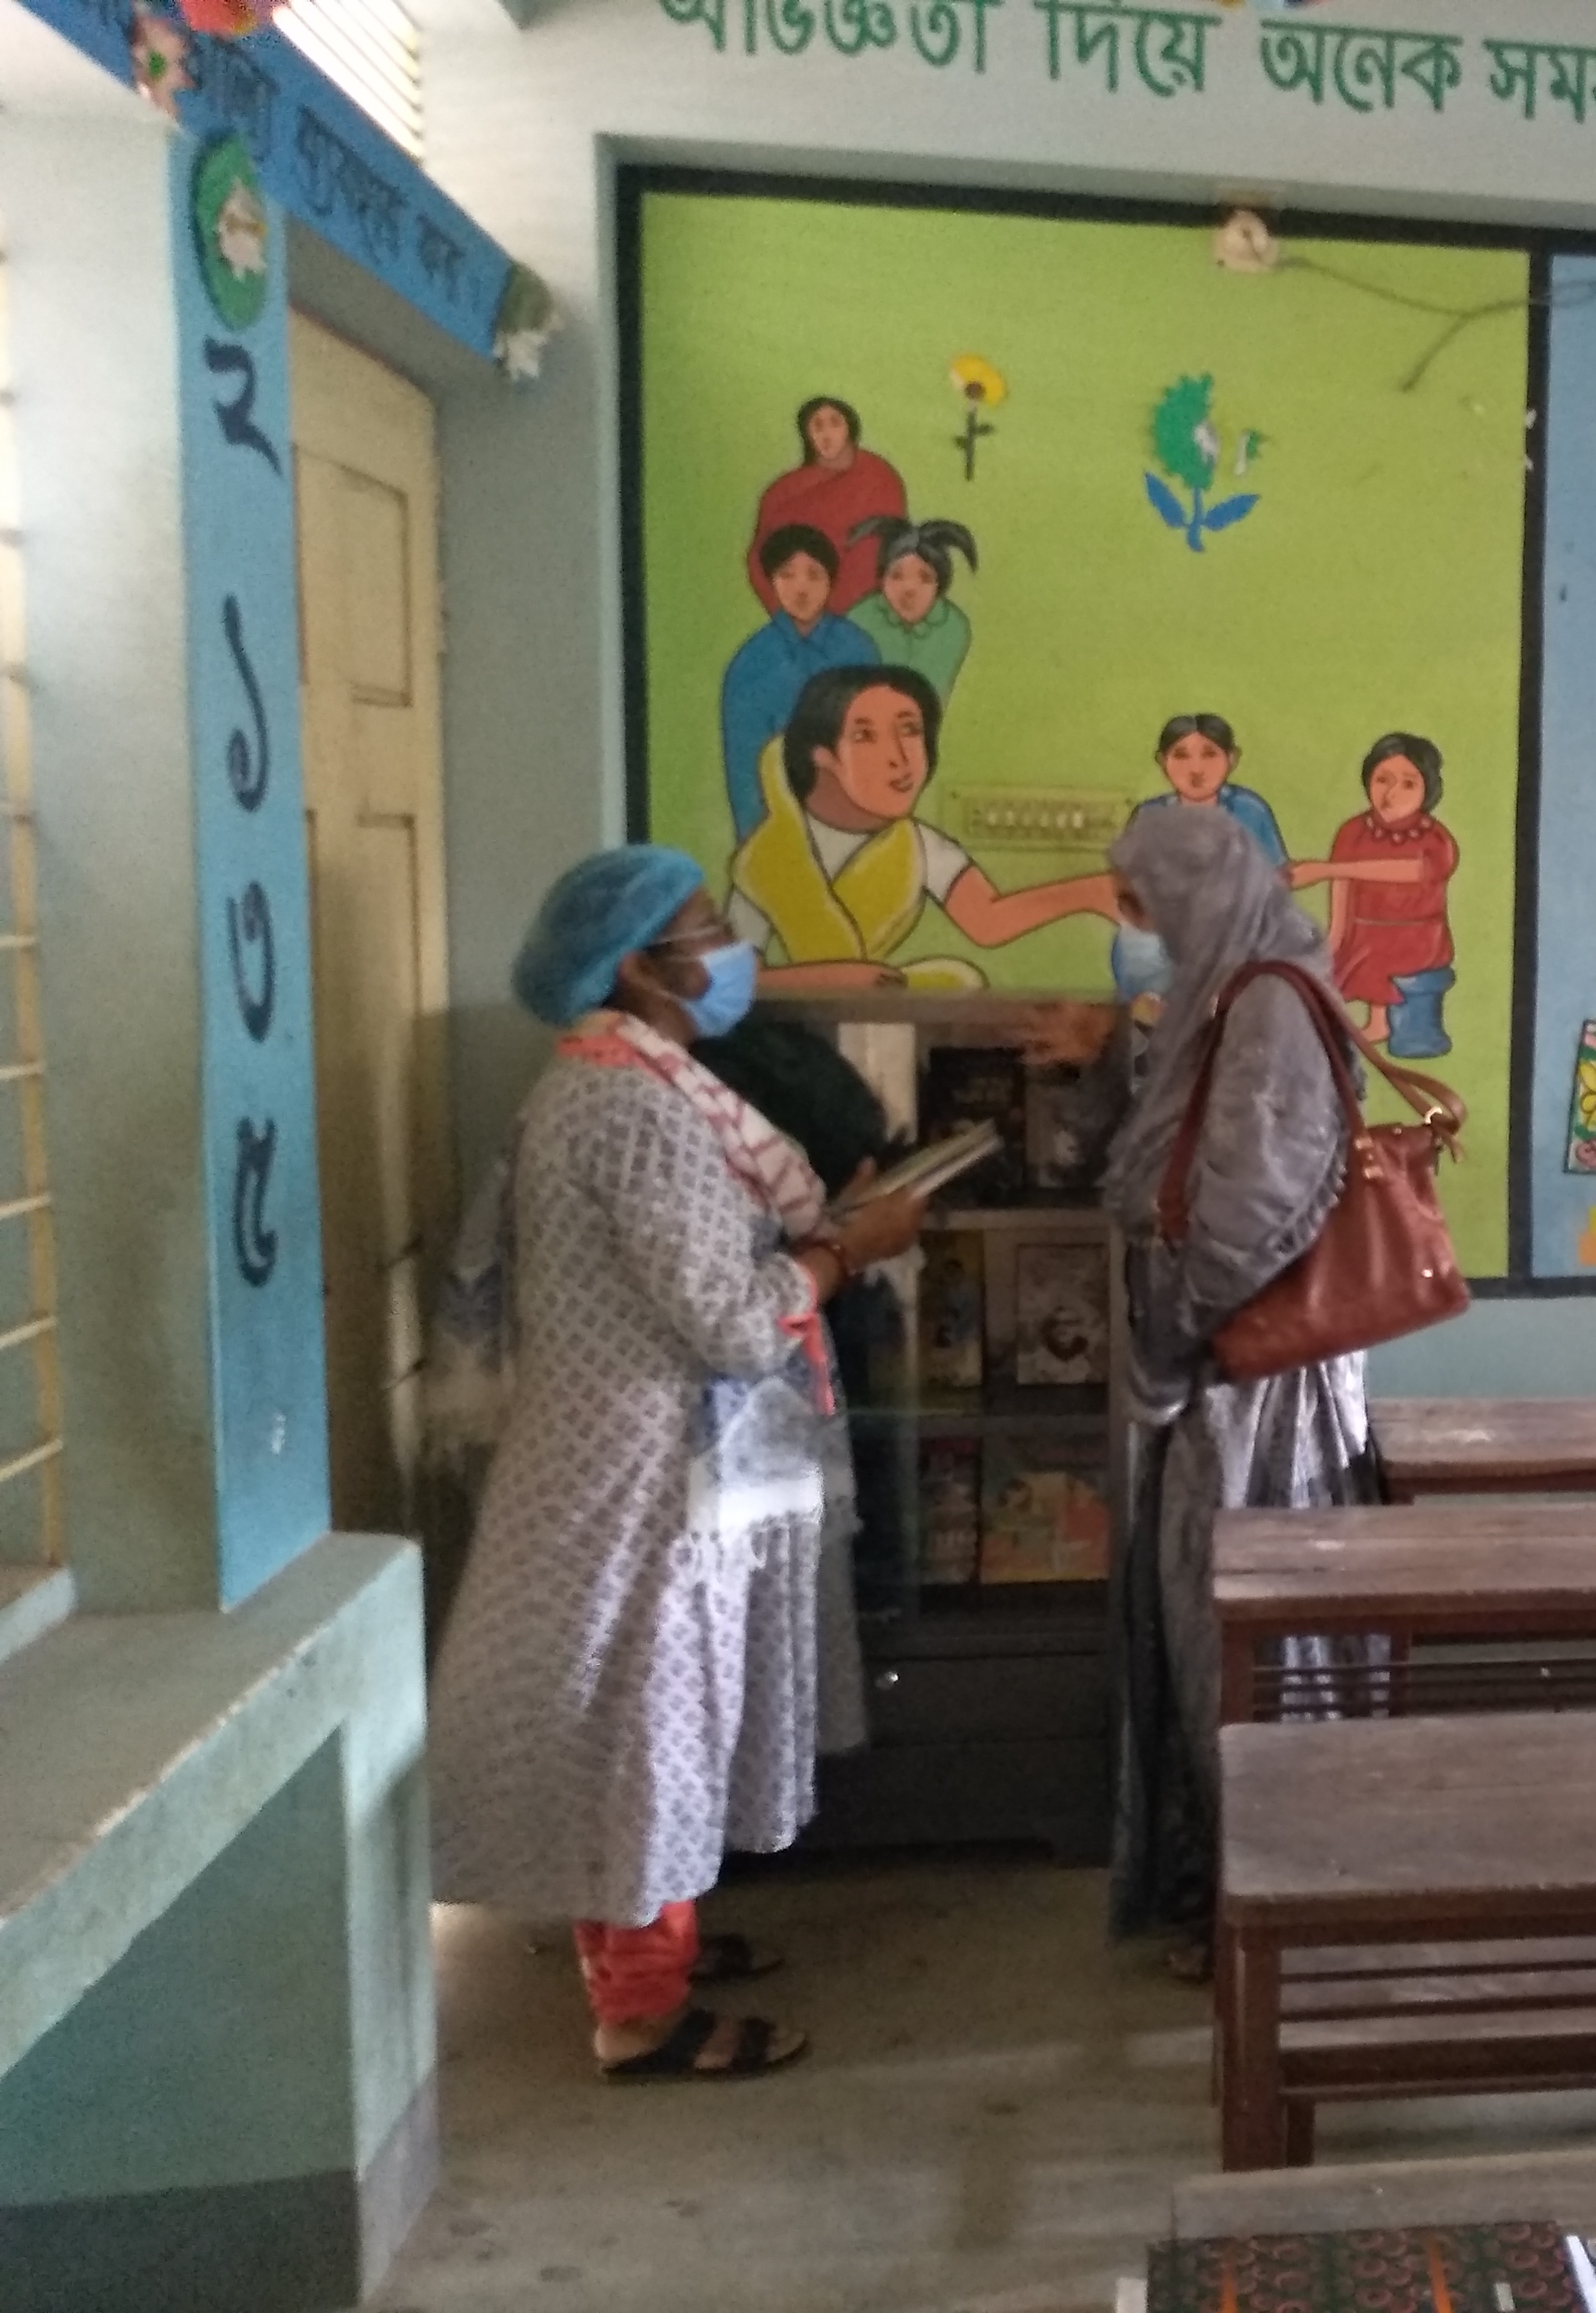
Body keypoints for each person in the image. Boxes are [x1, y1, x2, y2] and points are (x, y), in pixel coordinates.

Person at [426, 846, 929, 2082]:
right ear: (640, 968)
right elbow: (737, 1321)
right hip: (642, 1479)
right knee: (648, 1727)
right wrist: (851, 1252)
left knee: (655, 1716)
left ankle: (662, 1945)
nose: (729, 949)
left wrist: (828, 1224)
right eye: (706, 930)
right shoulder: (634, 1111)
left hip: (648, 1463)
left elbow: (709, 1256)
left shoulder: (629, 1086)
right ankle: (642, 2016)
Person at [1091, 806, 1382, 1972]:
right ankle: (1239, 1888)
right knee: (1216, 1636)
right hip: (1230, 1368)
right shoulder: (1231, 994)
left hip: (1256, 1382)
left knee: (1247, 1641)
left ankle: (1277, 1901)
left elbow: (1248, 1217)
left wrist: (1170, 1345)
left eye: (1145, 906)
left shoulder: (1267, 1006)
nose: (1138, 929)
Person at [729, 665, 1116, 992]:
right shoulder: (765, 858)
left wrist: (1089, 892)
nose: (899, 758)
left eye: (910, 730)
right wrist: (840, 979)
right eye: (865, 736)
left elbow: (986, 919)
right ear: (823, 755)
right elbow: (735, 979)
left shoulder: (918, 846)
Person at [1294, 730, 1460, 1059]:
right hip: (1363, 930)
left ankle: (1382, 1023)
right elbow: (1341, 892)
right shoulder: (1352, 831)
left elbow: (1412, 871)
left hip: (1418, 936)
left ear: (1428, 789)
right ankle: (1376, 1022)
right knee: (1339, 960)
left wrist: (1324, 869)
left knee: (1379, 951)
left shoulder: (1435, 838)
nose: (1391, 794)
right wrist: (1333, 942)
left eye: (1408, 784)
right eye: (1383, 780)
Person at [1111, 712, 1289, 1003]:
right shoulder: (1149, 815)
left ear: (1232, 759)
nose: (1196, 769)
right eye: (1181, 756)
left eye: (1209, 754)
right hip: (1165, 933)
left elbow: (1278, 879)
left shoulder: (1249, 810)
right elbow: (1131, 889)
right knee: (1140, 948)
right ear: (1162, 761)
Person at [719, 525, 877, 843]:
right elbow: (743, 768)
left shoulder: (858, 649)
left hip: (854, 819)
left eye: (814, 575)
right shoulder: (751, 662)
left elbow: (876, 742)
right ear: (773, 583)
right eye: (787, 575)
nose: (801, 589)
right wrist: (757, 841)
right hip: (778, 824)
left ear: (831, 581)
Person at [747, 395, 908, 616]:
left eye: (835, 423)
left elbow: (897, 542)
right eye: (817, 426)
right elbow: (760, 554)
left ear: (850, 428)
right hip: (804, 606)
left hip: (871, 605)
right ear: (807, 434)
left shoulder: (878, 475)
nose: (827, 435)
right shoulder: (784, 491)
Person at [847, 516, 979, 702]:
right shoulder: (860, 619)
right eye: (897, 576)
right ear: (882, 579)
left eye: (925, 578)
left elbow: (935, 693)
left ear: (940, 585)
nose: (909, 590)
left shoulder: (953, 626)